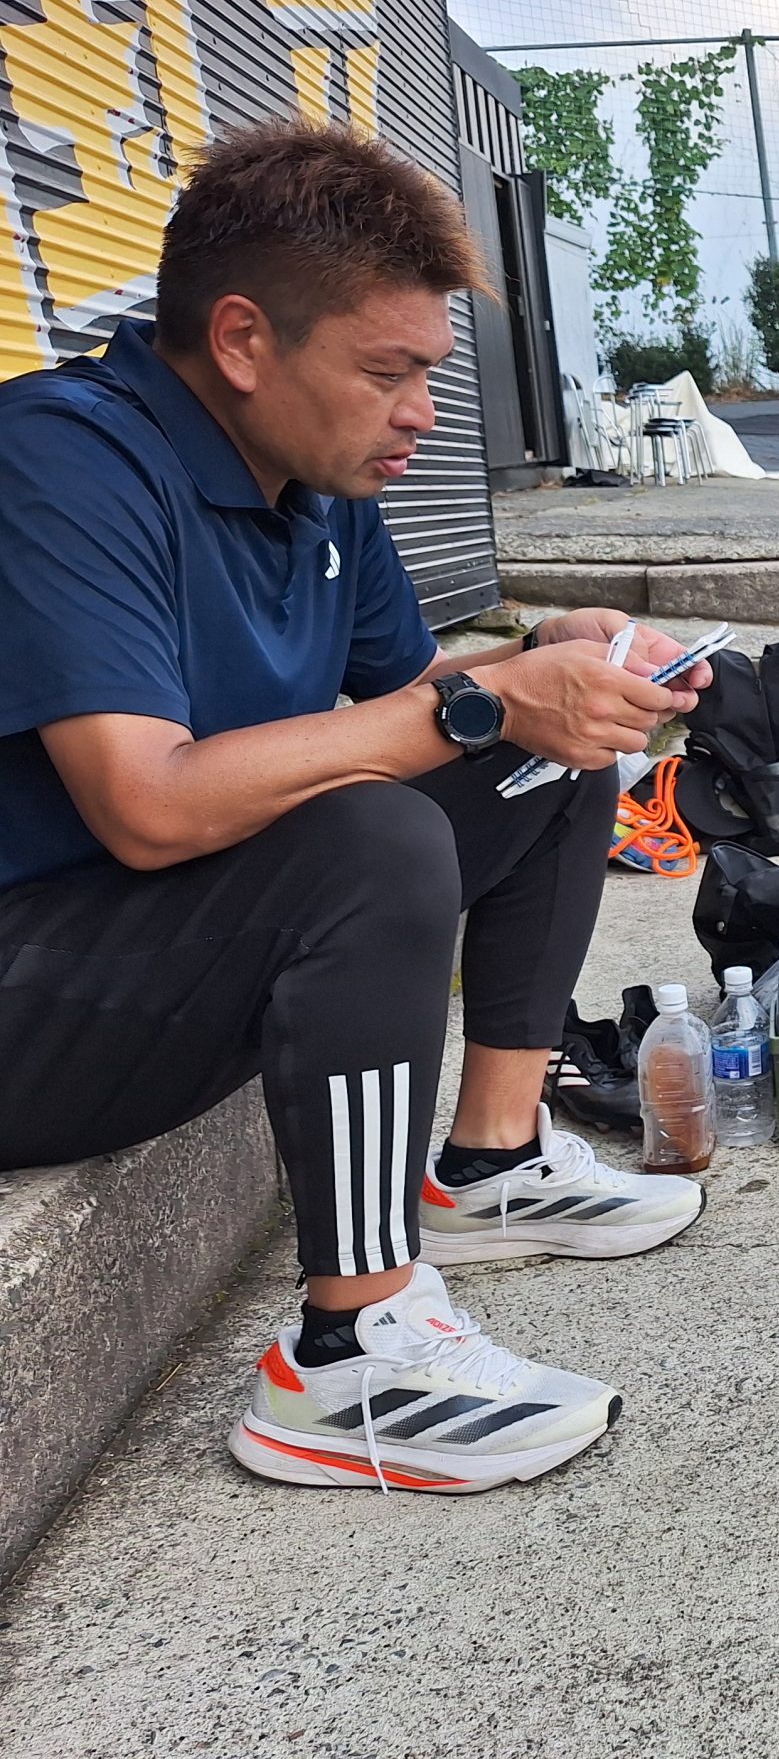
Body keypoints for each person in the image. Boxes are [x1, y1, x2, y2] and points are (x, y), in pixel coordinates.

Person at [0, 121, 716, 1494]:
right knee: (373, 834)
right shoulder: (59, 463)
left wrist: (542, 663)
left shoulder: (316, 483)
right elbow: (147, 806)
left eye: (431, 373)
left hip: (147, 935)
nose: (422, 413)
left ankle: (491, 1161)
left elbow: (421, 703)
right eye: (389, 372)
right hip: (33, 987)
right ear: (243, 340)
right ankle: (347, 1357)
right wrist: (482, 700)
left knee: (545, 752)